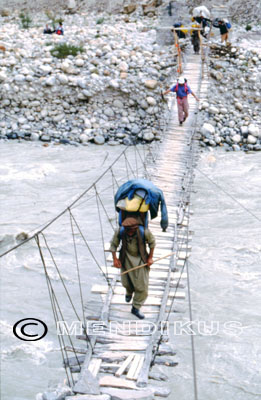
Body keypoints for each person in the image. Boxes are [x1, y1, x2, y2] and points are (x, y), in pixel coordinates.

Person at [109, 217, 156, 320]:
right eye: (128, 231)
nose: (130, 233)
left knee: (142, 287)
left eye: (132, 231)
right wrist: (115, 259)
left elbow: (152, 242)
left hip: (140, 259)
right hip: (125, 257)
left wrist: (150, 258)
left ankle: (135, 307)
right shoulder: (120, 231)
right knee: (126, 282)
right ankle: (129, 292)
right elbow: (113, 245)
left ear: (136, 228)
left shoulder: (144, 232)